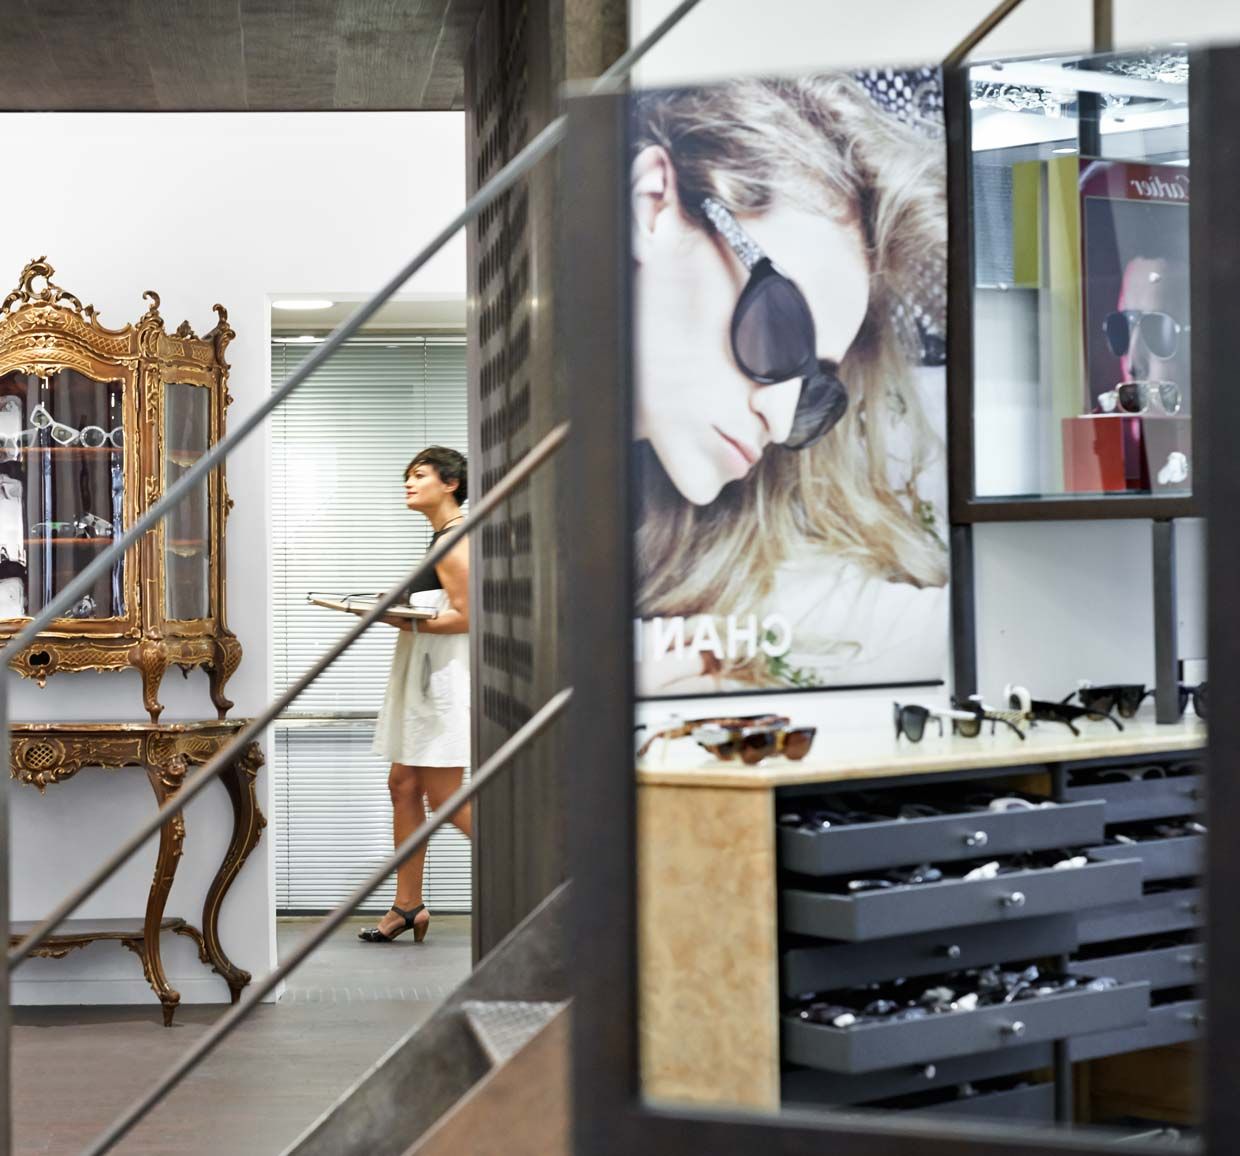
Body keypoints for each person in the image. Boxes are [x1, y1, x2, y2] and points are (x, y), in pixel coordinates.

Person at [630, 76, 949, 695]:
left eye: (814, 387)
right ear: (652, 204)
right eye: (781, 329)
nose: (779, 422)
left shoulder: (730, 560)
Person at [359, 446, 471, 944]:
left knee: (444, 794)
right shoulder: (440, 538)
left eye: (419, 475)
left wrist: (394, 615)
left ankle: (537, 882)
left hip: (441, 683)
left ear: (450, 483)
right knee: (403, 784)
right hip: (424, 676)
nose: (408, 483)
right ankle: (408, 906)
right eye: (407, 475)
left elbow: (469, 617)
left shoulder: (457, 539)